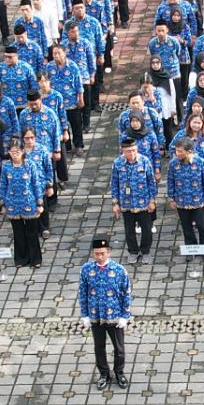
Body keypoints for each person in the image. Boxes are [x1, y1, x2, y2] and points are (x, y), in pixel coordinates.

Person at [78, 236, 132, 387]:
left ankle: (119, 372)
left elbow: (126, 293)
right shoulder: (86, 270)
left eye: (102, 253)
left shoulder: (119, 270)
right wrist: (85, 315)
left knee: (119, 349)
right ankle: (104, 374)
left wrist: (125, 315)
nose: (99, 256)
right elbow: (83, 292)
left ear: (108, 252)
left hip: (114, 316)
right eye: (96, 253)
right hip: (96, 316)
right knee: (99, 347)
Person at [108, 142, 159, 261]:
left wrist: (152, 201)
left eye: (133, 150)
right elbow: (114, 183)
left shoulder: (145, 161)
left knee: (147, 229)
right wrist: (115, 203)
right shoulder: (118, 163)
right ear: (123, 151)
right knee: (129, 230)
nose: (131, 153)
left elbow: (151, 182)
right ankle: (133, 251)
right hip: (126, 203)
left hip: (143, 203)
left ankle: (145, 251)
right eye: (128, 151)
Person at [167, 139, 204, 251]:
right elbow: (170, 182)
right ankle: (190, 249)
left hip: (198, 202)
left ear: (189, 151)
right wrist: (171, 199)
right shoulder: (173, 164)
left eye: (180, 151)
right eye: (176, 151)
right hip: (181, 202)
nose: (177, 153)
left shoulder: (201, 163)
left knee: (202, 227)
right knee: (186, 227)